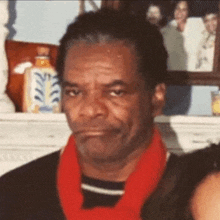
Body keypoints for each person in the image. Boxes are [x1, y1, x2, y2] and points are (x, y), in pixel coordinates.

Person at [0, 8, 219, 220]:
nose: (91, 109)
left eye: (115, 92)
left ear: (156, 98)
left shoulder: (201, 198)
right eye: (75, 92)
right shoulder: (12, 195)